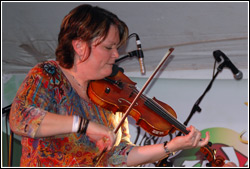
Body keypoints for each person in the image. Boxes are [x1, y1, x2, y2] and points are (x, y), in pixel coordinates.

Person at [9, 4, 210, 167]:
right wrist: (83, 125)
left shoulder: (110, 100)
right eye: (108, 47)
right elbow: (20, 118)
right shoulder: (48, 74)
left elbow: (118, 155)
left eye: (117, 48)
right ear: (79, 46)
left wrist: (170, 146)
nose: (116, 55)